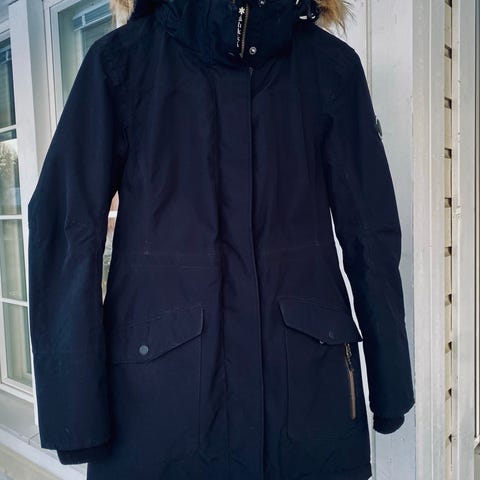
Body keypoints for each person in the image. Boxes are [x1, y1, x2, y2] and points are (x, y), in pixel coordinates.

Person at [27, 0, 415, 478]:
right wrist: (75, 410)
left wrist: (390, 377)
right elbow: (64, 225)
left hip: (306, 396)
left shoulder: (330, 68)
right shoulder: (121, 64)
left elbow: (369, 227)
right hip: (161, 408)